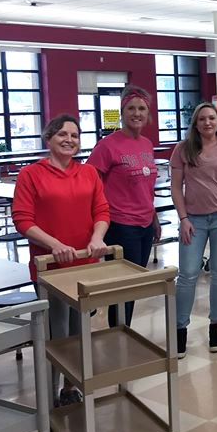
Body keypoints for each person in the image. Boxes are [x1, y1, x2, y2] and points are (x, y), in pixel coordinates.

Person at [12, 115, 109, 405]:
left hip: (84, 266)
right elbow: (22, 220)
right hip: (51, 269)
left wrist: (97, 238)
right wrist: (54, 245)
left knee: (79, 332)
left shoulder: (89, 173)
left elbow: (102, 211)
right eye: (63, 134)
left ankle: (70, 387)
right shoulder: (31, 174)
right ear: (49, 138)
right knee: (57, 333)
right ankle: (50, 390)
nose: (70, 140)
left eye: (75, 136)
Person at [170, 102, 217, 358]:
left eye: (211, 118)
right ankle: (180, 330)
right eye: (202, 119)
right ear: (196, 123)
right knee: (188, 274)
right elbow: (176, 187)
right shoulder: (183, 148)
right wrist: (183, 219)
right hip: (194, 221)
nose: (207, 123)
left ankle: (216, 326)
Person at [87, 85, 161, 328]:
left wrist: (154, 218)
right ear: (122, 112)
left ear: (148, 114)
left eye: (141, 109)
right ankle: (119, 333)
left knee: (133, 284)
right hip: (120, 224)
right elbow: (90, 181)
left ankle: (121, 330)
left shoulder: (147, 144)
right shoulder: (108, 145)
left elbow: (146, 188)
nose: (136, 113)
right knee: (123, 284)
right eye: (131, 108)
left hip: (144, 223)